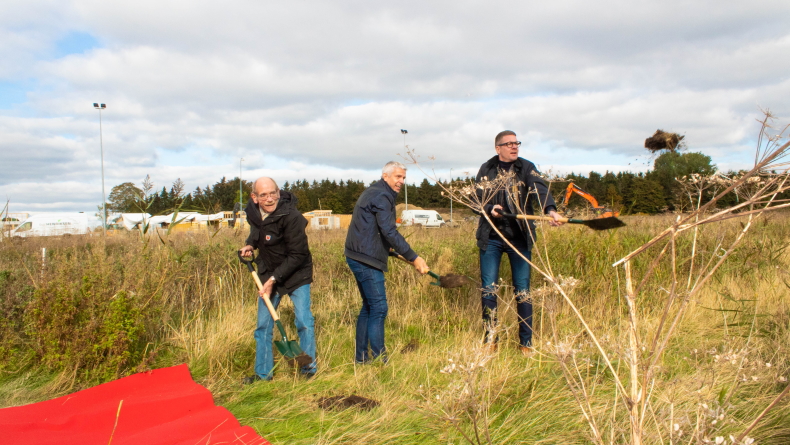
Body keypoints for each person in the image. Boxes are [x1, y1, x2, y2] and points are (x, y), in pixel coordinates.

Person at [475, 131, 563, 355]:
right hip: (492, 237)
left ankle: (526, 344)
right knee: (489, 290)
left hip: (520, 238)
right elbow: (476, 199)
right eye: (509, 144)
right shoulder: (487, 169)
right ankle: (491, 340)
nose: (514, 147)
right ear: (498, 148)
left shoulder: (526, 167)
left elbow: (539, 190)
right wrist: (489, 208)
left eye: (517, 143)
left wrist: (550, 210)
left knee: (523, 291)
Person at [345, 161, 430, 363]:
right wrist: (414, 257)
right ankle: (379, 358)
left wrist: (388, 248)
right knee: (379, 308)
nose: (401, 181)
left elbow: (371, 227)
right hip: (366, 258)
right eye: (397, 177)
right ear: (386, 176)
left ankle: (362, 358)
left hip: (358, 254)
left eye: (403, 178)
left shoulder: (374, 192)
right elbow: (389, 231)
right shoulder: (381, 196)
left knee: (369, 307)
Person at [239, 177, 316, 382]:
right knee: (263, 325)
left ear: (279, 193)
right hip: (268, 272)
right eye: (263, 195)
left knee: (303, 321)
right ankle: (263, 374)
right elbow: (258, 230)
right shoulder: (253, 212)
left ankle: (307, 370)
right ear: (255, 197)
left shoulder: (292, 216)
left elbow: (298, 255)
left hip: (297, 273)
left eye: (273, 193)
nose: (270, 198)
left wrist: (274, 279)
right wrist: (250, 245)